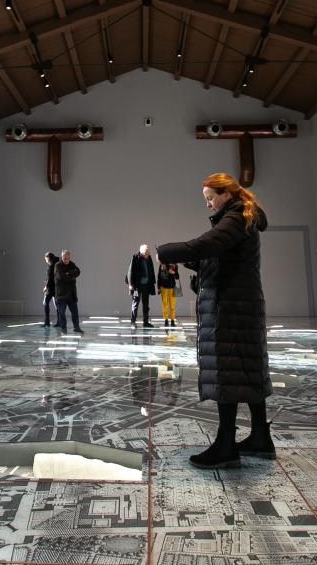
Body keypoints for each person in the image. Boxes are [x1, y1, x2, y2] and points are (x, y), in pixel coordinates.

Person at [157, 173, 272, 469]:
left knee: (228, 369)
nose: (208, 204)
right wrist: (200, 266)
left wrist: (165, 252)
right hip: (240, 303)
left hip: (231, 306)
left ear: (226, 194)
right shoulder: (240, 217)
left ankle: (226, 445)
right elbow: (220, 255)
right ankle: (260, 437)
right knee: (247, 367)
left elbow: (204, 246)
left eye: (210, 197)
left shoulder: (235, 218)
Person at [52, 249, 83, 334]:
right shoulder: (57, 265)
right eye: (64, 258)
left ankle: (76, 327)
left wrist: (68, 273)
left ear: (70, 257)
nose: (66, 260)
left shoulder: (72, 264)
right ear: (61, 257)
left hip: (71, 294)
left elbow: (78, 272)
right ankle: (63, 328)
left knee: (75, 312)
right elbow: (62, 278)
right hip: (61, 294)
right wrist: (72, 276)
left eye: (68, 258)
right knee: (61, 313)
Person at [125, 244, 156, 328]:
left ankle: (145, 322)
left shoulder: (149, 258)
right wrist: (131, 284)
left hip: (146, 286)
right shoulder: (135, 258)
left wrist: (152, 282)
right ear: (142, 252)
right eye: (147, 253)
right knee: (135, 304)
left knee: (146, 304)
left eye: (148, 252)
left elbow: (151, 270)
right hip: (136, 287)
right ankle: (133, 322)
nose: (148, 254)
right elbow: (130, 271)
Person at [157, 262, 180, 327]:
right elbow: (159, 276)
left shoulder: (174, 265)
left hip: (172, 287)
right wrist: (158, 287)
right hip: (163, 287)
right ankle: (166, 320)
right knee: (165, 304)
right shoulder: (162, 264)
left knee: (172, 305)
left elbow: (177, 277)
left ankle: (172, 320)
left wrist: (174, 273)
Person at [42, 252, 59, 327]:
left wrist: (46, 287)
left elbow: (49, 278)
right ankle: (59, 322)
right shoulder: (57, 263)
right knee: (57, 305)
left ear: (48, 258)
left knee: (45, 303)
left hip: (50, 288)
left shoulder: (51, 266)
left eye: (45, 258)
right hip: (56, 288)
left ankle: (47, 322)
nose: (45, 260)